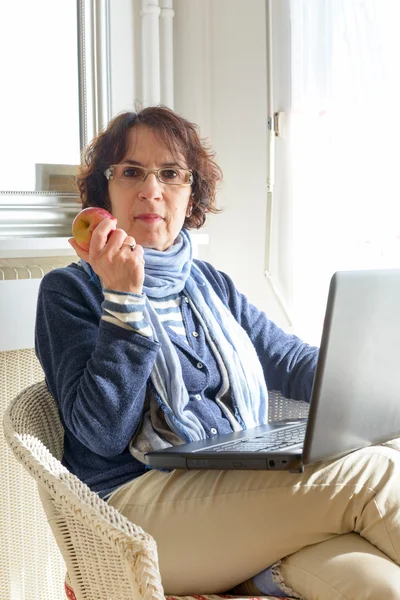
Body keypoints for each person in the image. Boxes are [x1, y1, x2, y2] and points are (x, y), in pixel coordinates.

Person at [35, 105, 400, 600]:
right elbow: (100, 433)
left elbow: (289, 362)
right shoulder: (70, 291)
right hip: (131, 515)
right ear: (105, 192)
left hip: (230, 494)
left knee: (376, 584)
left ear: (191, 196)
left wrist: (373, 381)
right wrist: (123, 299)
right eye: (131, 172)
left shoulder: (208, 284)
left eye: (171, 173)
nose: (151, 190)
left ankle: (249, 572)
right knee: (376, 472)